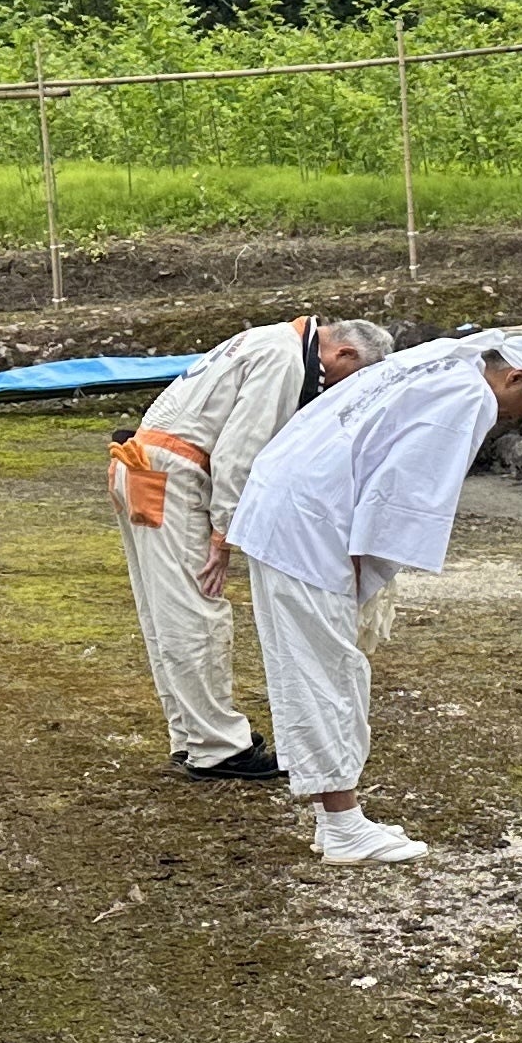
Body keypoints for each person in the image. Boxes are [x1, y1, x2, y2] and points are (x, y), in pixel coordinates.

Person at [231, 332, 522, 863]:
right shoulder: (467, 394)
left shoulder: (436, 364)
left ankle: (333, 819)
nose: (521, 417)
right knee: (329, 670)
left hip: (287, 502)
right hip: (313, 522)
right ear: (515, 377)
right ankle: (343, 825)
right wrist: (364, 571)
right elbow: (402, 487)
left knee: (312, 666)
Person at [105, 313, 394, 779]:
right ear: (343, 353)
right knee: (193, 611)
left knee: (165, 612)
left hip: (144, 465)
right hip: (173, 475)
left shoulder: (267, 338)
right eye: (350, 377)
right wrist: (224, 534)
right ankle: (218, 747)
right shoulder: (285, 360)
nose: (340, 390)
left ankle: (192, 735)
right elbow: (239, 453)